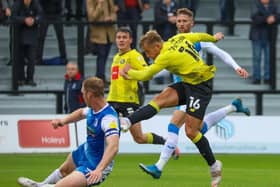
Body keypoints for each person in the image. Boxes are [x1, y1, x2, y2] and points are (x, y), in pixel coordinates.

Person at [119, 30, 248, 186]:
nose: (148, 55)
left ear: (158, 46)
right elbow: (199, 36)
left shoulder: (165, 56)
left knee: (192, 131)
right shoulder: (178, 37)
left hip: (201, 88)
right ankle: (128, 121)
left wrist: (129, 72)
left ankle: (214, 166)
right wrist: (214, 37)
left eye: (148, 51)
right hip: (188, 83)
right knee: (159, 100)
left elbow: (147, 74)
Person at [17, 76, 120, 187]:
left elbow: (113, 146)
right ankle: (41, 184)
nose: (83, 96)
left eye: (83, 93)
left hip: (95, 166)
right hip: (85, 151)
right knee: (64, 171)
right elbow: (80, 113)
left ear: (89, 94)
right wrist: (62, 121)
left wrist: (99, 169)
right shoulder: (93, 109)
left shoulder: (108, 118)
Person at [107, 26, 179, 158]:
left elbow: (148, 73)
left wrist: (131, 74)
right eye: (118, 37)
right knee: (107, 134)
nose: (121, 40)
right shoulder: (116, 57)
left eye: (124, 37)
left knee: (139, 138)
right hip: (112, 101)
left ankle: (166, 142)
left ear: (130, 40)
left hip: (128, 102)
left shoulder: (135, 56)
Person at [11, 0, 43, 86]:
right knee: (20, 58)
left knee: (31, 58)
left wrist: (34, 20)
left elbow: (40, 15)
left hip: (32, 34)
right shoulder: (17, 4)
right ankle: (20, 78)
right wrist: (24, 20)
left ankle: (30, 79)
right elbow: (13, 17)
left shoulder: (36, 4)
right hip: (19, 34)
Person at [249, 0, 279, 84]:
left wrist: (274, 18)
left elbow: (278, 15)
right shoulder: (255, 4)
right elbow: (254, 17)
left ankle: (267, 78)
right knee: (256, 58)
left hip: (270, 36)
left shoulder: (275, 4)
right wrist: (268, 18)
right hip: (257, 36)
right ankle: (256, 77)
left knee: (268, 59)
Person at [86, 0, 116, 85]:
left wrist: (111, 18)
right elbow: (92, 17)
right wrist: (99, 4)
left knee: (105, 56)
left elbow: (114, 12)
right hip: (99, 33)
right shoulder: (90, 1)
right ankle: (100, 78)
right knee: (101, 56)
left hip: (109, 32)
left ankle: (100, 77)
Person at [37, 0, 68, 65]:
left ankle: (63, 57)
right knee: (41, 37)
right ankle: (38, 58)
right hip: (45, 13)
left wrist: (62, 10)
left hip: (57, 13)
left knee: (60, 37)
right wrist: (40, 11)